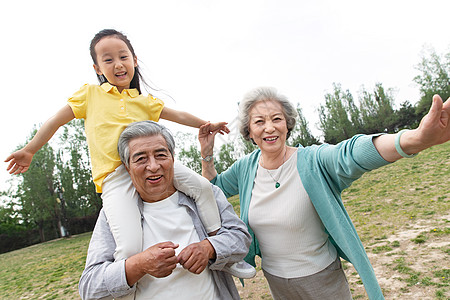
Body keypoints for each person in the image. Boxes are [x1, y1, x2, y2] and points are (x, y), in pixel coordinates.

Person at [4, 29, 254, 279]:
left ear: (134, 60)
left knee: (202, 187)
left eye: (123, 56)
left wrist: (206, 124)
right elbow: (55, 121)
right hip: (115, 176)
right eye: (108, 59)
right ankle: (125, 287)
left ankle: (222, 253)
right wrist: (29, 149)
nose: (118, 64)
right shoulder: (90, 95)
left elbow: (177, 115)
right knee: (130, 243)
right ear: (98, 68)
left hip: (153, 165)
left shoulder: (143, 101)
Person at [198, 86, 450, 300]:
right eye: (259, 122)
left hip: (321, 279)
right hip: (276, 280)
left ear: (288, 124)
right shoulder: (246, 168)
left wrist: (415, 139)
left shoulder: (313, 160)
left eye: (277, 118)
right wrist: (206, 154)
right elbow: (212, 192)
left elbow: (352, 152)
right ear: (249, 132)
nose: (269, 128)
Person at [79, 120, 251, 299]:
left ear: (173, 159)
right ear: (127, 168)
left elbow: (240, 238)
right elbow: (89, 287)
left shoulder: (206, 195)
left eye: (160, 155)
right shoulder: (113, 215)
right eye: (140, 159)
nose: (153, 166)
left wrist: (209, 248)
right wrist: (139, 265)